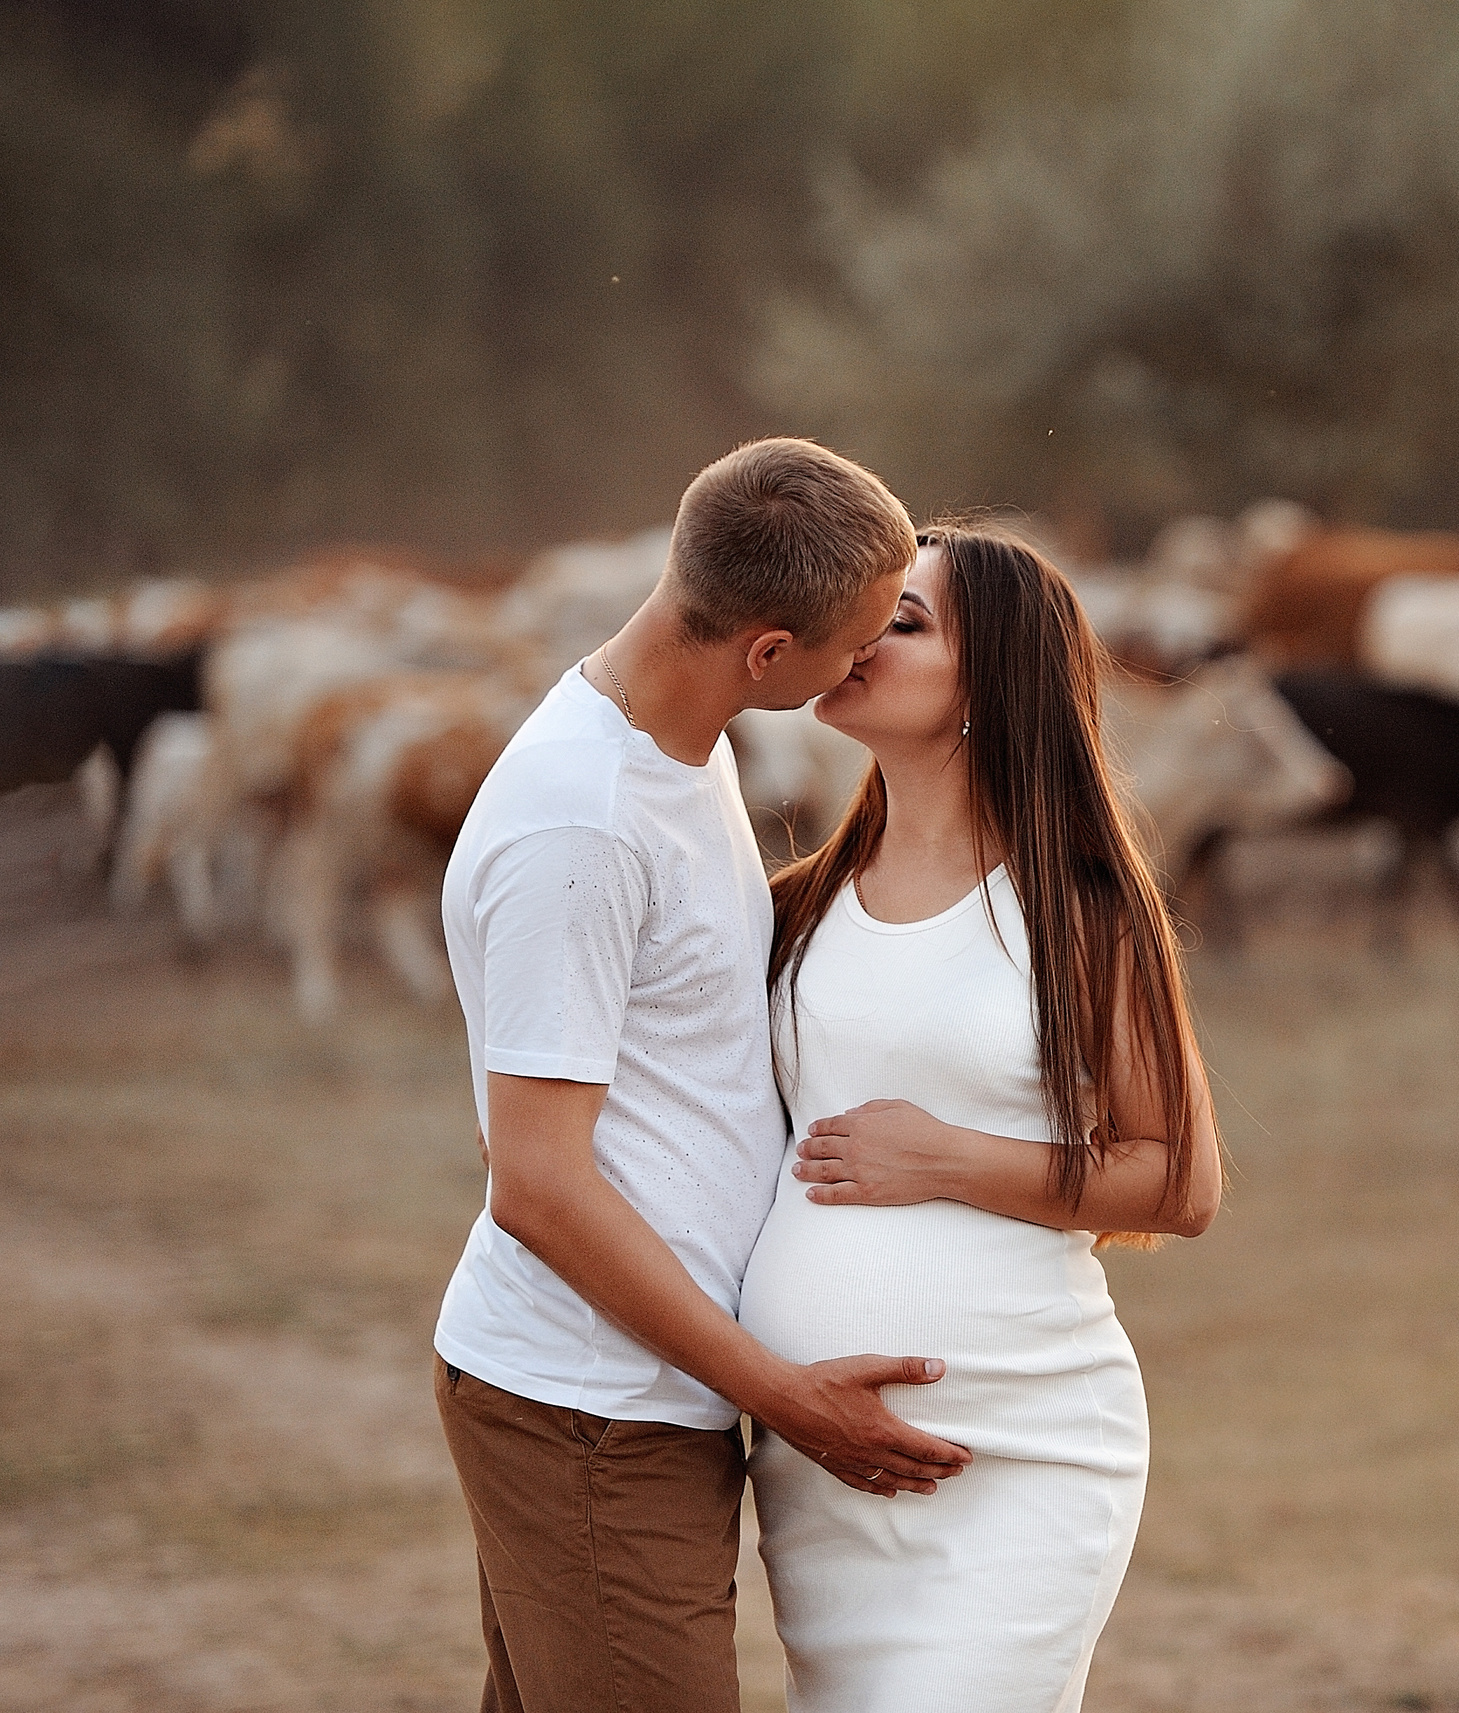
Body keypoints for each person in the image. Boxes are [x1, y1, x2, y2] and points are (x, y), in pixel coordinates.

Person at [432, 438, 973, 1713]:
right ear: (768, 651)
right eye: (855, 643)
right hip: (589, 1407)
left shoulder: (683, 747)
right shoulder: (584, 824)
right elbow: (538, 1188)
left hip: (639, 1394)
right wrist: (784, 1395)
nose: (867, 667)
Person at [741, 525, 1223, 1712]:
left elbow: (1180, 1184)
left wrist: (947, 1157)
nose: (856, 639)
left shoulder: (1081, 907)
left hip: (1021, 1447)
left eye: (901, 622)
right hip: (820, 1469)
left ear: (993, 679)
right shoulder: (789, 911)